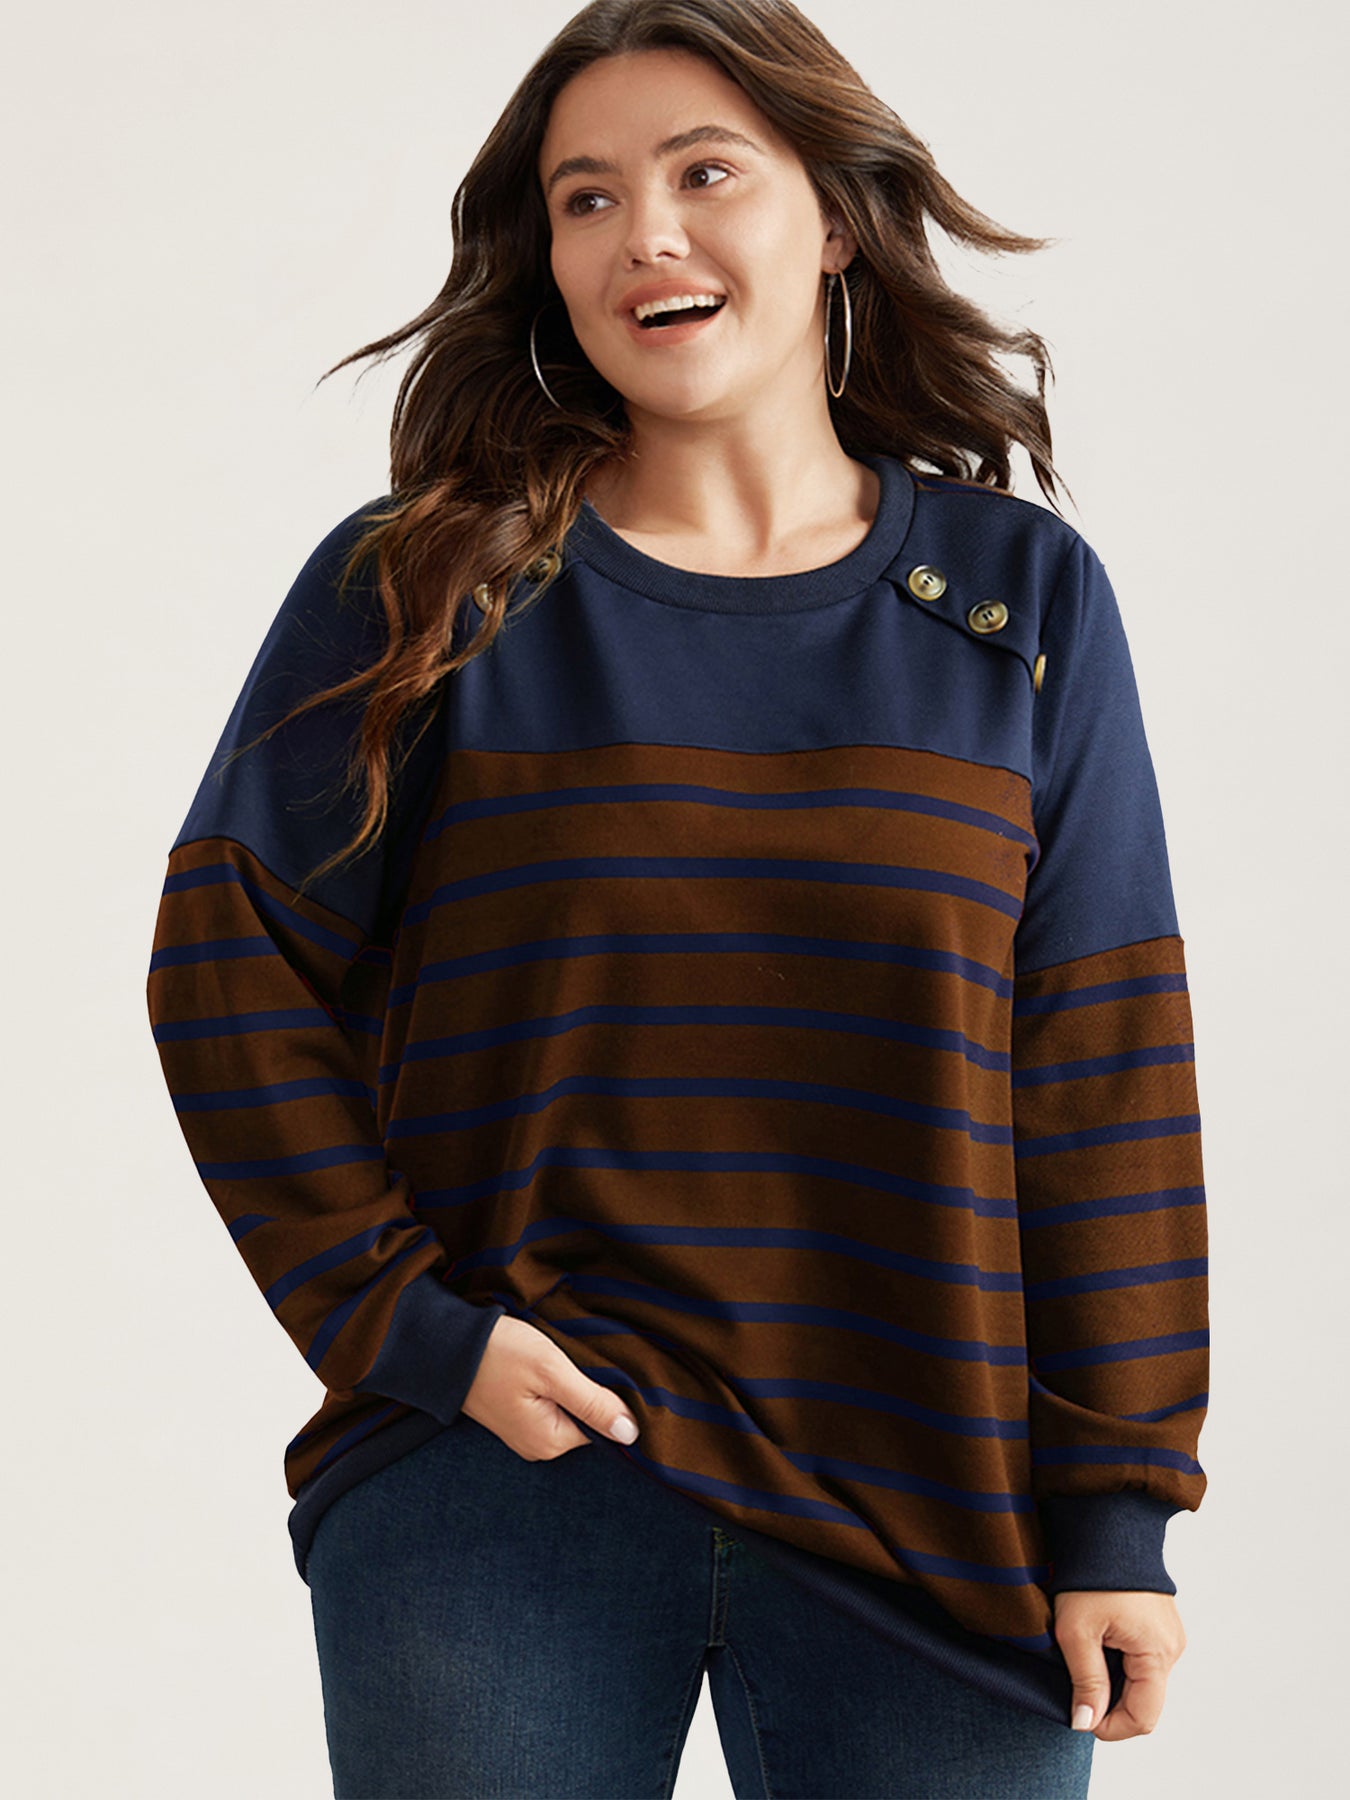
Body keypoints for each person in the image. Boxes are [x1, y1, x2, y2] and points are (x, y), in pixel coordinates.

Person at [146, 1, 1209, 1794]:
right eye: (585, 198)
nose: (643, 232)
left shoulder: (1016, 599)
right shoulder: (426, 587)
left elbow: (1100, 1062)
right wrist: (413, 1333)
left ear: (835, 217)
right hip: (503, 1491)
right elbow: (224, 966)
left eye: (704, 172)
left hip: (938, 1510)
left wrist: (1117, 1506)